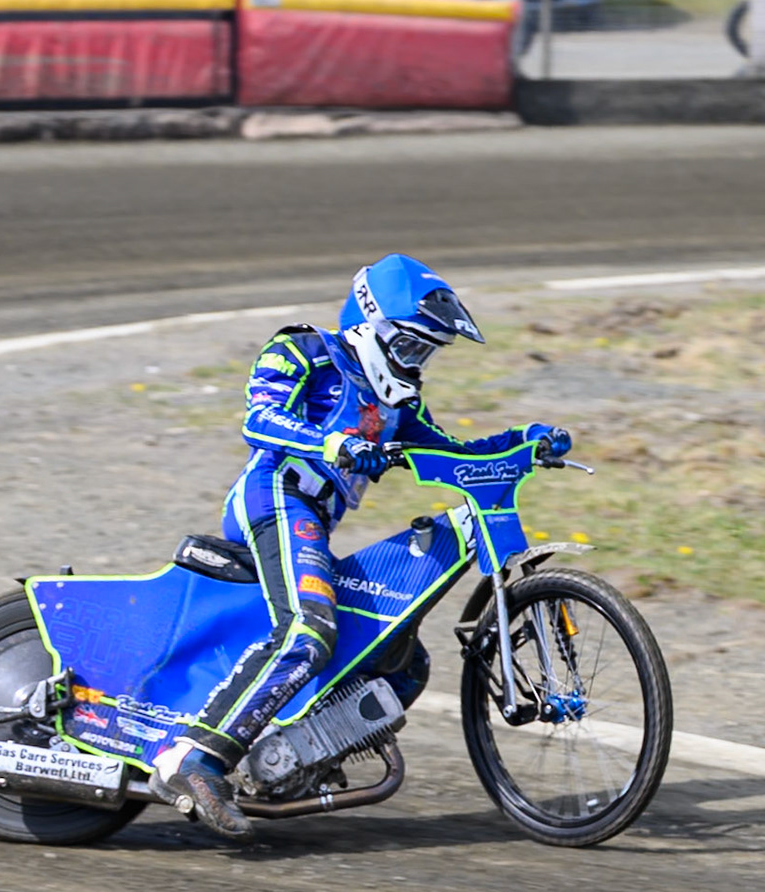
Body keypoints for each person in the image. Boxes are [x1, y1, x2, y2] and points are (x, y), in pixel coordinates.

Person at [150, 253, 572, 843]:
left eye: (427, 352)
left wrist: (524, 443)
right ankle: (195, 760)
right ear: (371, 326)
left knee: (405, 663)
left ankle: (292, 761)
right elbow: (259, 419)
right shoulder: (303, 348)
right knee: (310, 630)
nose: (418, 364)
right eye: (411, 347)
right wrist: (335, 443)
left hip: (314, 520)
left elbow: (454, 455)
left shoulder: (399, 405)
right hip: (275, 496)